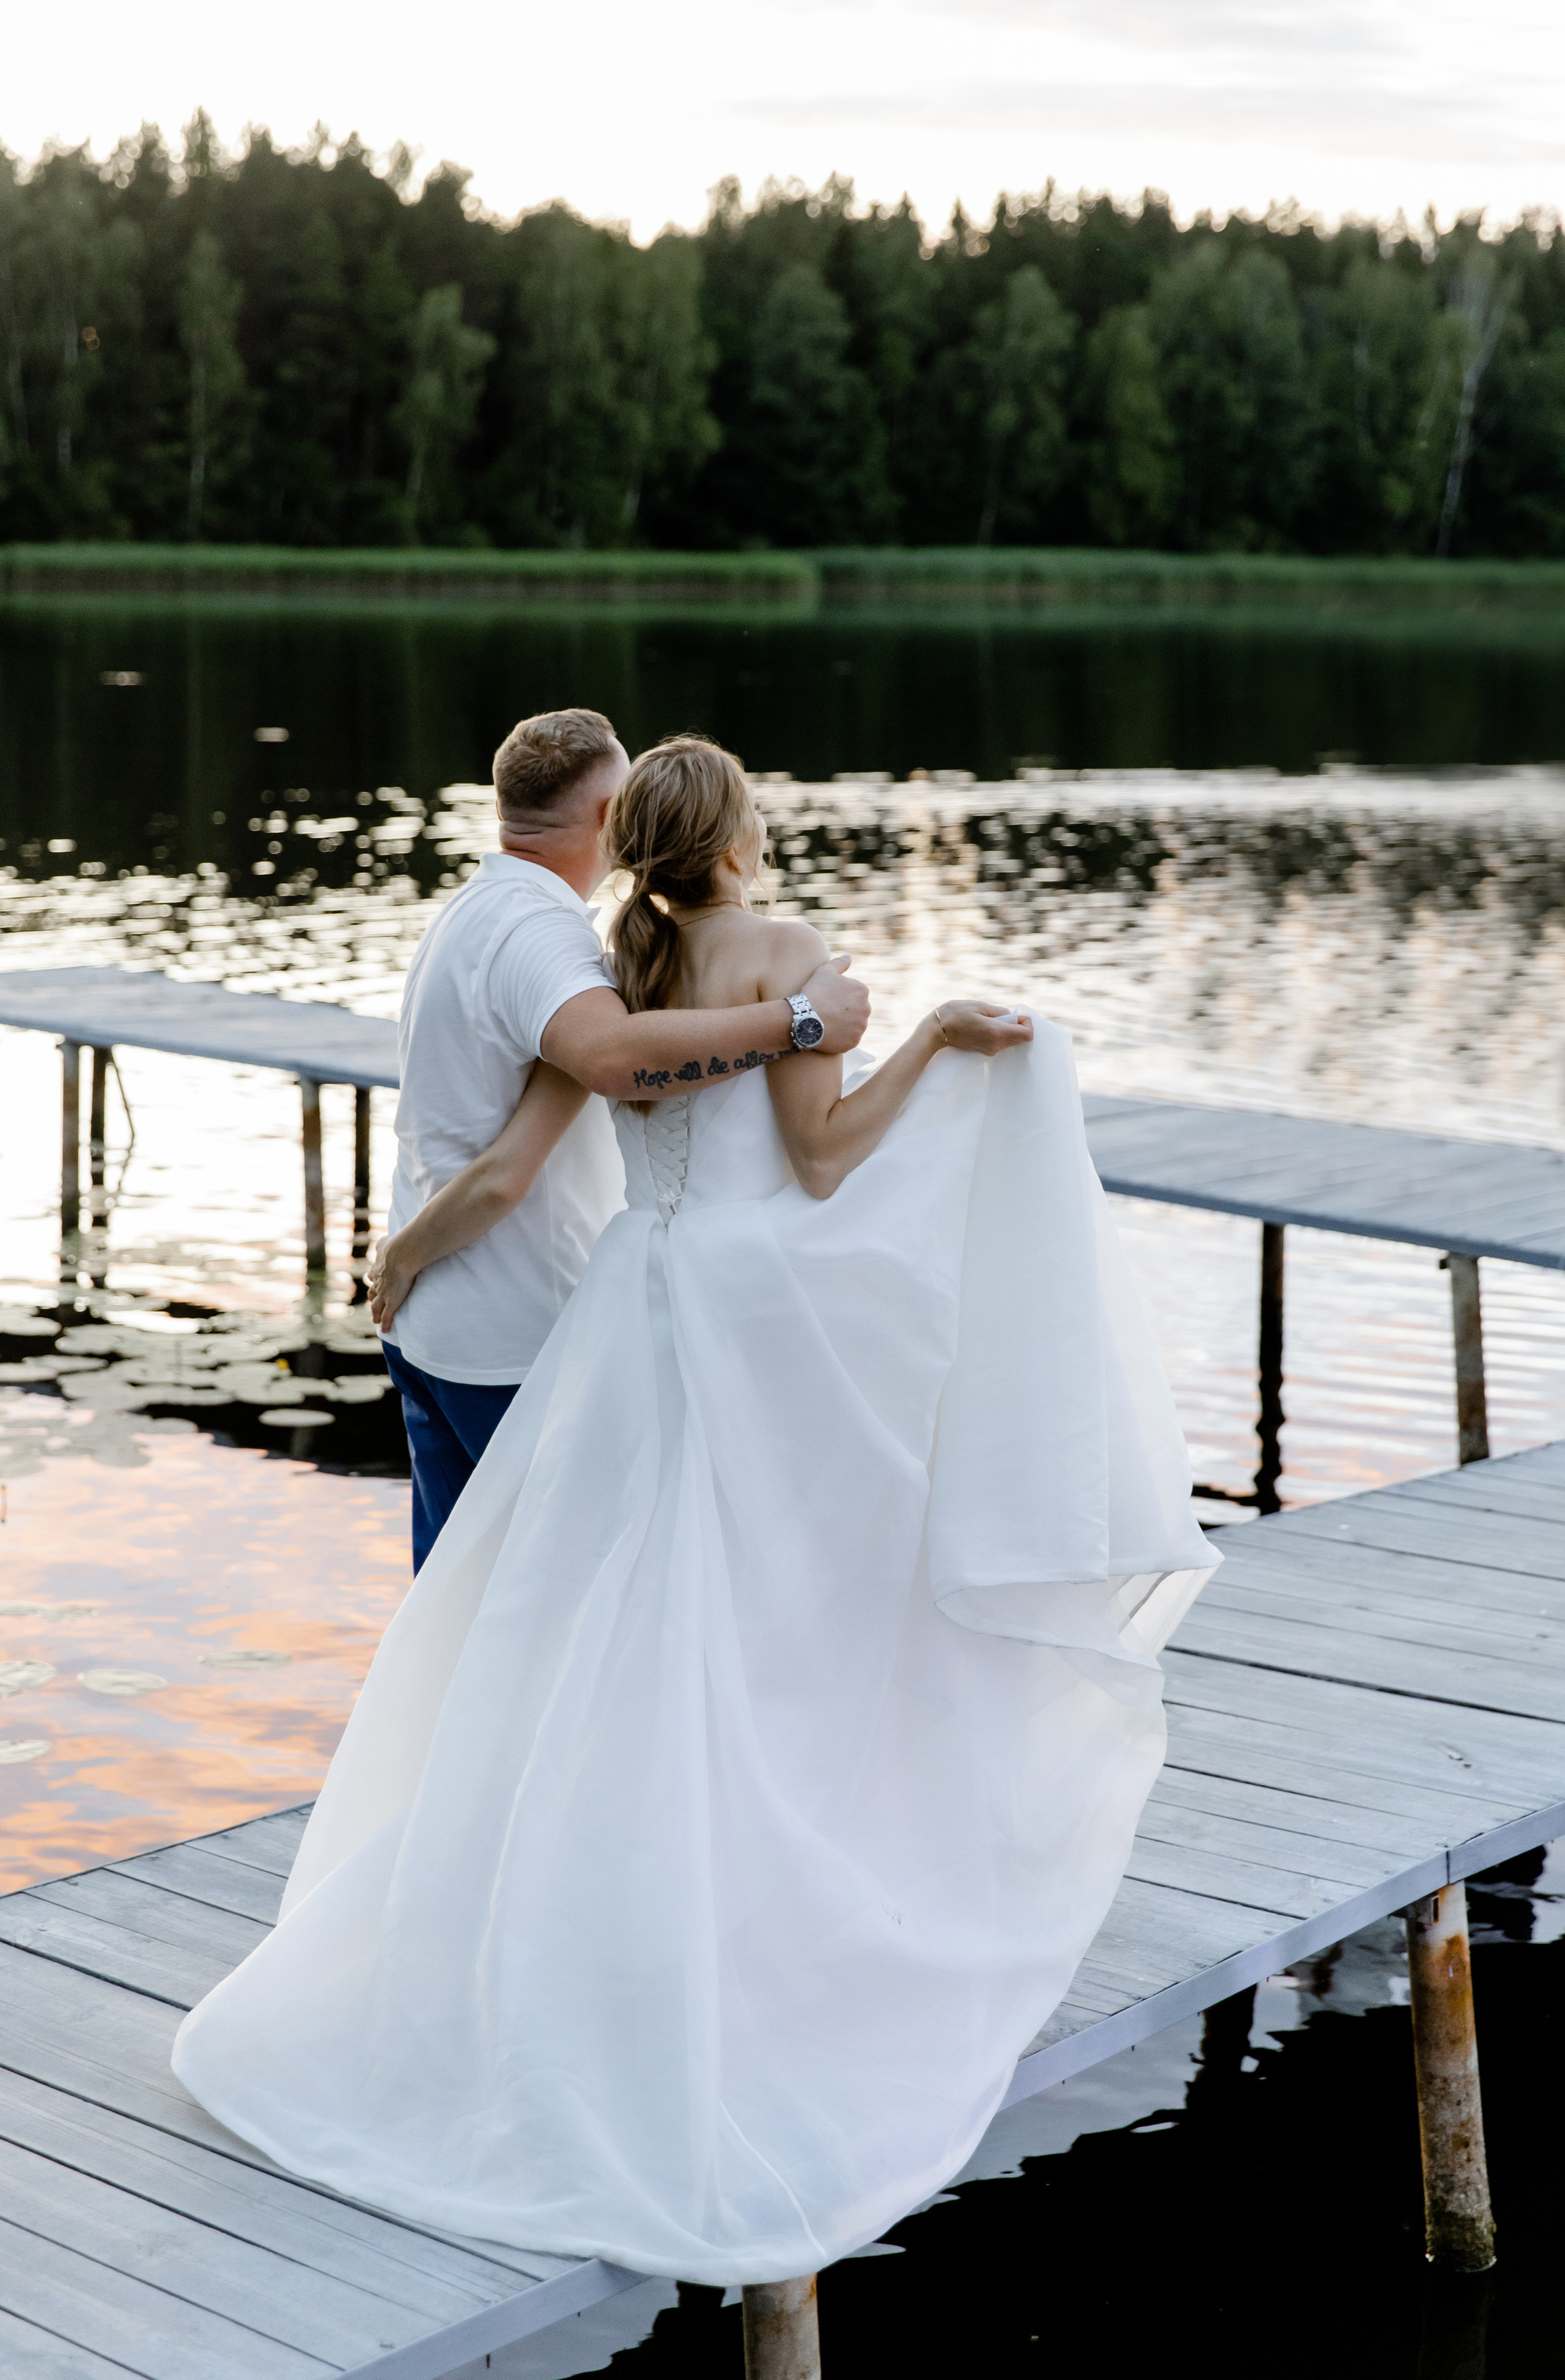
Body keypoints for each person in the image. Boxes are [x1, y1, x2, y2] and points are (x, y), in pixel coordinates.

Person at [174, 735, 1218, 2290]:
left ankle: (562, 1920)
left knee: (602, 1611)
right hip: (742, 1310)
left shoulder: (625, 956)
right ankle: (751, 1927)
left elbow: (596, 1107)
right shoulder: (788, 956)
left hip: (628, 1304)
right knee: (775, 1609)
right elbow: (818, 1162)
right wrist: (923, 1036)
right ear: (734, 828)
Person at [373, 706, 869, 1569]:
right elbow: (609, 1064)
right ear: (611, 817)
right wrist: (804, 1018)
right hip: (504, 1332)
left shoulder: (472, 909)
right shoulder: (543, 938)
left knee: (454, 1606)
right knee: (549, 1601)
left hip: (434, 1323)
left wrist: (406, 1254)